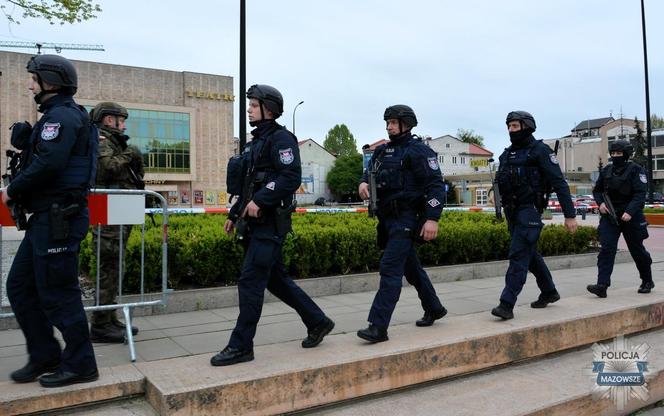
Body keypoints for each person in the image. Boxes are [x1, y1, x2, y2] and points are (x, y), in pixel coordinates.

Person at [211, 84, 334, 366]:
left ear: (269, 109)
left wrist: (263, 200)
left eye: (253, 105)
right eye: (250, 105)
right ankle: (318, 321)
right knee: (277, 281)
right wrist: (234, 214)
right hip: (254, 224)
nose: (249, 110)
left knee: (250, 281)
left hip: (270, 224)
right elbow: (248, 186)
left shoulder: (281, 139)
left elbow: (290, 176)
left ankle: (241, 346)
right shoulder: (255, 143)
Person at [3, 55, 99, 387]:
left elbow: (48, 164)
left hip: (59, 217)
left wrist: (11, 190)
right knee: (20, 287)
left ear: (51, 82)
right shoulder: (58, 117)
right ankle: (45, 354)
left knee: (59, 292)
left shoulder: (62, 118)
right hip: (47, 217)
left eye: (34, 78)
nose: (30, 84)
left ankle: (81, 363)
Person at [356, 105, 447, 343]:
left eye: (394, 122)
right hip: (386, 220)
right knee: (411, 268)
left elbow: (436, 186)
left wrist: (432, 218)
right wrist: (362, 184)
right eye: (387, 123)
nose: (389, 127)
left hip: (407, 218)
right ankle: (434, 307)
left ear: (406, 124)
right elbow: (368, 174)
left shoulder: (418, 152)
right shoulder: (381, 152)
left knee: (390, 268)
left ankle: (378, 326)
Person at [492, 111, 577, 320]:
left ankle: (506, 304)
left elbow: (559, 183)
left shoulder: (540, 151)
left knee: (518, 256)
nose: (511, 130)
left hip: (529, 210)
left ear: (527, 126)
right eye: (509, 126)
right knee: (530, 255)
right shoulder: (506, 154)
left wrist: (570, 215)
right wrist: (495, 195)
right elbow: (500, 180)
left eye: (515, 126)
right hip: (512, 211)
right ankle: (549, 291)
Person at [89, 102, 144, 343]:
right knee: (108, 264)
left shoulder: (114, 143)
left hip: (119, 209)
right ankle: (100, 325)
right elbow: (109, 167)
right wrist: (130, 153)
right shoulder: (102, 141)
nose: (124, 124)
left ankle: (109, 317)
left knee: (115, 265)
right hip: (108, 210)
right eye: (121, 120)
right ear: (109, 120)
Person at [587, 140, 653, 298]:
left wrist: (630, 211)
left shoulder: (637, 170)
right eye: (613, 154)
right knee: (606, 249)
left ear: (626, 154)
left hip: (631, 216)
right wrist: (601, 203)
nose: (616, 156)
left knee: (637, 250)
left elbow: (640, 194)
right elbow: (597, 190)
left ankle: (647, 280)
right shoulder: (607, 170)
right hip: (610, 215)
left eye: (619, 154)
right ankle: (602, 285)